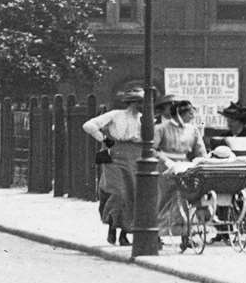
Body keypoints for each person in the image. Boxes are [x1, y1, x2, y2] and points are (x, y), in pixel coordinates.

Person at [83, 87, 146, 245]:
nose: (141, 105)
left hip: (135, 156)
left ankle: (124, 233)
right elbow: (89, 125)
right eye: (139, 102)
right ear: (131, 102)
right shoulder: (116, 115)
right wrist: (105, 140)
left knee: (132, 193)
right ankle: (112, 226)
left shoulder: (144, 119)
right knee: (117, 192)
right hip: (113, 155)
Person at [154, 95, 209, 248]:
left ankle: (187, 235)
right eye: (189, 113)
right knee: (164, 200)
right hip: (166, 166)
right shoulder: (161, 129)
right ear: (179, 113)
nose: (192, 116)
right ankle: (156, 235)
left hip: (185, 166)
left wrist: (203, 161)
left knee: (186, 200)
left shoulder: (193, 130)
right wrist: (166, 160)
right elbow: (153, 149)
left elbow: (200, 149)